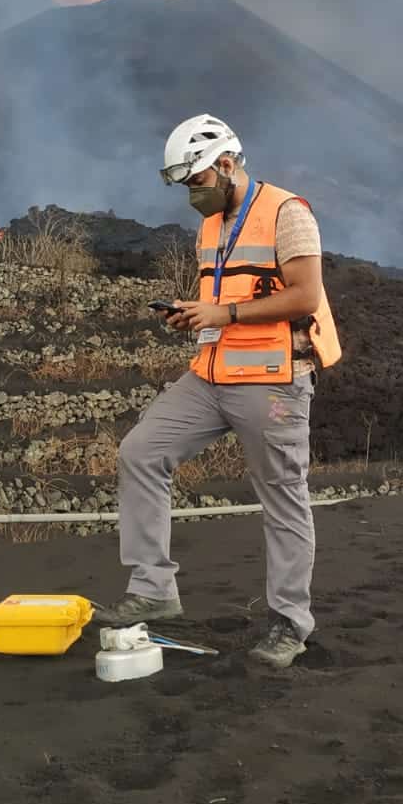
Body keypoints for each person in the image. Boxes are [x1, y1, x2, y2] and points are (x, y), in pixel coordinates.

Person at [94, 113, 341, 668]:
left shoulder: (288, 214)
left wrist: (224, 312)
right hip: (210, 373)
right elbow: (225, 295)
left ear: (225, 165)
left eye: (197, 182)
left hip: (272, 380)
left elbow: (303, 297)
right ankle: (154, 589)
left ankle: (289, 623)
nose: (191, 196)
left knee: (281, 496)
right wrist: (195, 316)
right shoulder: (212, 225)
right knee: (141, 451)